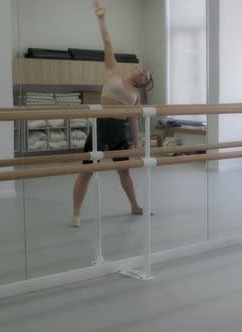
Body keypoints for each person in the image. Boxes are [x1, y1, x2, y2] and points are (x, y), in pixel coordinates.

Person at [71, 0, 154, 228]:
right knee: (87, 171)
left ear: (142, 83)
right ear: (135, 69)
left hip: (119, 132)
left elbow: (134, 118)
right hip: (101, 127)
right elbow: (107, 42)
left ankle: (135, 205)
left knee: (124, 172)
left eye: (146, 77)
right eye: (144, 70)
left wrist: (137, 145)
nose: (144, 73)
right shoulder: (114, 69)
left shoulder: (136, 95)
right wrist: (101, 19)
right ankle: (76, 214)